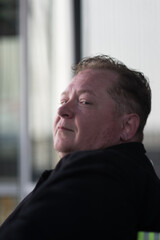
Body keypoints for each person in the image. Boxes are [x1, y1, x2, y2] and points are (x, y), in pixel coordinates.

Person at [0, 54, 160, 240]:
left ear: (127, 126)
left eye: (85, 102)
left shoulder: (102, 170)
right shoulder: (133, 178)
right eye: (63, 101)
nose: (62, 111)